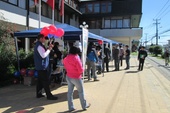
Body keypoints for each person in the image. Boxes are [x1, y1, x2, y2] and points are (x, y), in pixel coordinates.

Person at [63, 46, 91, 112]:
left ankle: (71, 107)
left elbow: (65, 66)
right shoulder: (76, 58)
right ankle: (84, 105)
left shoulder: (65, 58)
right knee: (81, 92)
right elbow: (80, 70)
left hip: (69, 76)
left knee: (70, 92)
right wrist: (83, 68)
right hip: (76, 77)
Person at [34, 34, 58, 100]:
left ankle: (39, 94)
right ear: (41, 38)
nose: (45, 39)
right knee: (45, 81)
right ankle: (49, 95)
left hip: (41, 66)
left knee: (40, 81)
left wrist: (48, 48)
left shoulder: (40, 45)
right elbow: (43, 55)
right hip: (42, 66)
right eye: (44, 38)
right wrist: (49, 49)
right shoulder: (39, 46)